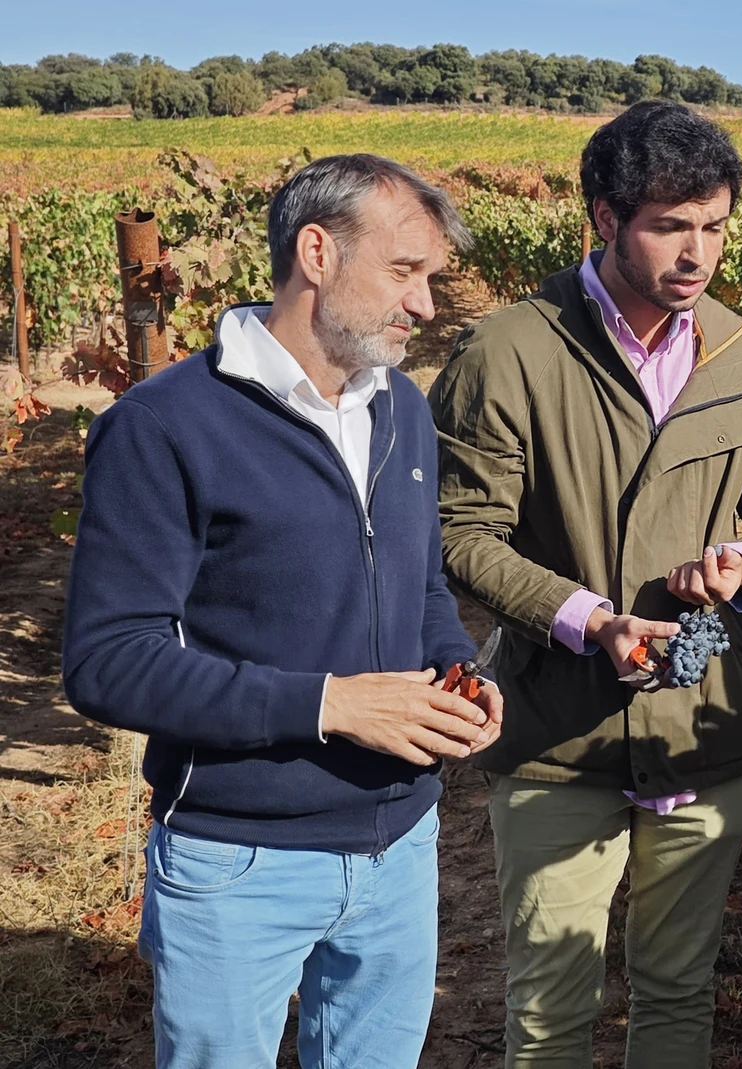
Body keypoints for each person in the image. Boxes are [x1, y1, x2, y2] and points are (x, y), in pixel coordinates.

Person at [61, 154, 499, 1068]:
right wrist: (330, 704)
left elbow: (420, 587)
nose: (424, 305)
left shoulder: (402, 410)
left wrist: (459, 669)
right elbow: (108, 658)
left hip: (402, 848)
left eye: (431, 280)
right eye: (406, 272)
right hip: (237, 861)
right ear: (317, 253)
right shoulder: (164, 426)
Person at [429, 100, 742, 1068]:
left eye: (715, 227)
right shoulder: (511, 351)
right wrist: (587, 617)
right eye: (670, 226)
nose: (698, 252)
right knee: (550, 1012)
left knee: (679, 992)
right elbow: (457, 530)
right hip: (562, 728)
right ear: (603, 217)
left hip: (703, 726)